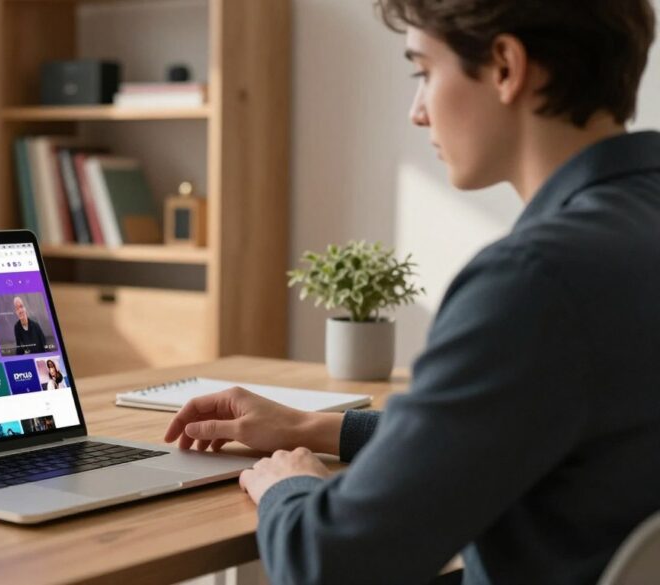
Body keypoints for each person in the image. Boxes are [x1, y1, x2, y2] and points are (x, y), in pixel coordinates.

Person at [165, 2, 660, 584]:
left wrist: (288, 485)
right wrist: (310, 429)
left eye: (423, 71)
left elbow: (329, 565)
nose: (417, 112)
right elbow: (508, 430)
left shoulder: (533, 282)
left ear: (505, 66)